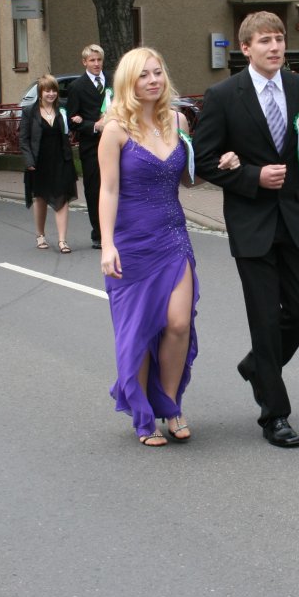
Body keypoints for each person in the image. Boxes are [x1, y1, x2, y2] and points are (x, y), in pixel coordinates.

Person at [193, 11, 299, 448]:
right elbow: (203, 161)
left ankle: (256, 366)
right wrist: (252, 177)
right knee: (264, 320)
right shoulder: (224, 95)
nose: (275, 47)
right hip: (252, 225)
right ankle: (274, 415)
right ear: (246, 48)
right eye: (265, 40)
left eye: (279, 39)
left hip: (297, 220)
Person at [99, 47, 240, 447]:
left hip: (174, 236)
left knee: (178, 324)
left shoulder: (177, 121)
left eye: (157, 72)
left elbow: (186, 178)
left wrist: (221, 167)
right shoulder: (115, 130)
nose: (153, 81)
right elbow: (108, 190)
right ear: (129, 82)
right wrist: (107, 244)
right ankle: (144, 417)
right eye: (143, 75)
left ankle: (171, 404)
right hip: (131, 242)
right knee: (141, 330)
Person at [19, 74, 78, 253]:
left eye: (54, 90)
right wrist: (29, 161)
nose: (51, 94)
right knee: (41, 198)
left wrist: (77, 121)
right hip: (39, 161)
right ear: (40, 92)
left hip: (61, 160)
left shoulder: (61, 110)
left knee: (63, 199)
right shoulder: (30, 112)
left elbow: (68, 133)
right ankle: (40, 234)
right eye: (47, 91)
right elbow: (24, 139)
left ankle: (62, 240)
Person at [68, 44, 111, 248]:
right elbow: (72, 120)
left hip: (116, 143)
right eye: (92, 60)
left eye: (99, 60)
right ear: (84, 62)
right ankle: (99, 233)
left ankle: (118, 230)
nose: (96, 64)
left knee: (120, 186)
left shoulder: (112, 81)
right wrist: (94, 125)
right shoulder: (77, 86)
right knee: (95, 189)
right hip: (92, 146)